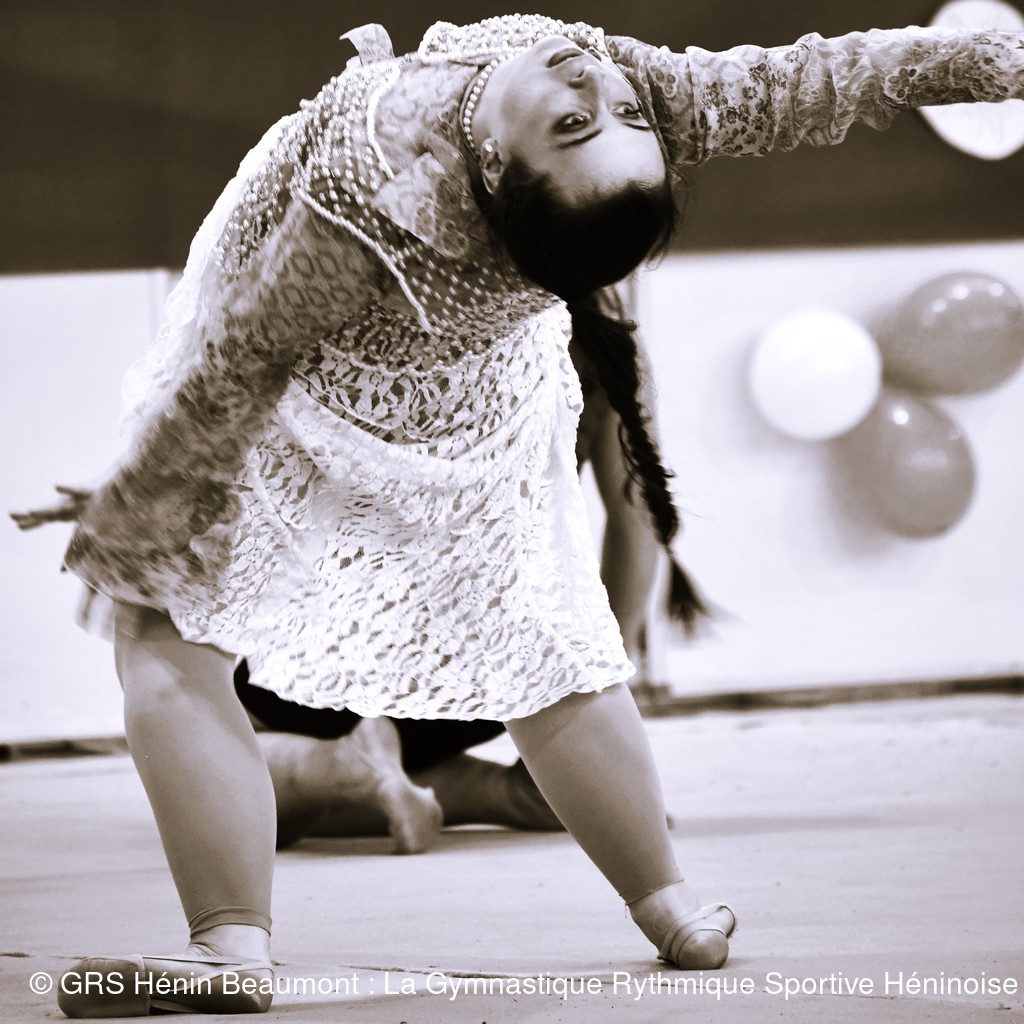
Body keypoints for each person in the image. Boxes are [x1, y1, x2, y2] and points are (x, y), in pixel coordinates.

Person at [13, 14, 1023, 1018]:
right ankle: (672, 908)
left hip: (333, 381)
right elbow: (825, 78)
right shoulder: (634, 91)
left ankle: (229, 944)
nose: (597, 87)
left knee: (162, 626)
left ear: (493, 164)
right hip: (468, 390)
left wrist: (145, 498)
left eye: (575, 125)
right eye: (613, 114)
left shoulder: (384, 175)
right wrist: (986, 58)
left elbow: (249, 352)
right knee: (538, 644)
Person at [239, 318, 666, 853]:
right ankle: (504, 794)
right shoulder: (602, 342)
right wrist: (594, 703)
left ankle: (348, 764)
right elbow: (637, 526)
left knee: (220, 782)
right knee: (236, 788)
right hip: (485, 676)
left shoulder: (393, 304)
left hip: (324, 663)